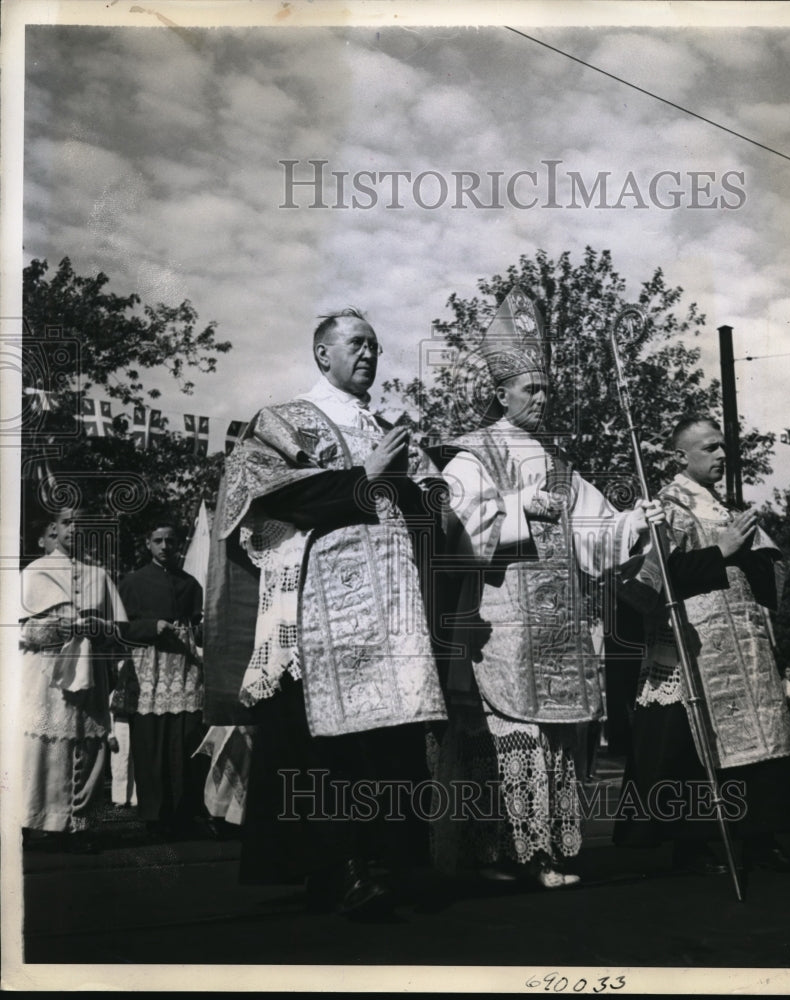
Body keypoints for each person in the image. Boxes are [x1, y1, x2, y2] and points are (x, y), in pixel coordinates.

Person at [203, 307, 446, 917]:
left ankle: (389, 860)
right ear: (323, 355)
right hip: (319, 602)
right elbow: (258, 496)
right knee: (323, 741)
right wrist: (363, 476)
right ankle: (336, 866)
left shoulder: (385, 425)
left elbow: (429, 507)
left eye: (376, 347)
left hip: (390, 602)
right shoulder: (283, 421)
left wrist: (424, 490)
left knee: (389, 733)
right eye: (357, 344)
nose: (370, 354)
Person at [427, 287, 663, 889]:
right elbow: (454, 531)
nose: (541, 397)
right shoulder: (471, 453)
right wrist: (516, 508)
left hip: (560, 631)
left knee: (556, 739)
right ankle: (498, 854)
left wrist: (636, 521)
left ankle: (549, 851)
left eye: (546, 387)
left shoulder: (560, 462)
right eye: (530, 387)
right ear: (500, 392)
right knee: (510, 737)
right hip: (502, 628)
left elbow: (595, 537)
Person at [613, 415, 790, 875]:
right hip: (694, 644)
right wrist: (718, 552)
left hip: (745, 641)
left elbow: (767, 574)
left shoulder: (726, 508)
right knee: (689, 744)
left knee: (762, 739)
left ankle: (762, 838)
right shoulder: (664, 507)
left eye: (723, 447)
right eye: (709, 448)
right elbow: (646, 583)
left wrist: (758, 556)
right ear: (681, 456)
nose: (722, 455)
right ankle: (692, 845)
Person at [19, 509, 126, 851]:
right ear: (54, 528)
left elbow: (116, 631)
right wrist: (60, 627)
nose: (75, 529)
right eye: (68, 523)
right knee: (40, 748)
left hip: (89, 675)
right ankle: (35, 821)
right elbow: (23, 632)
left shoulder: (99, 574)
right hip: (45, 675)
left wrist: (100, 629)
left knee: (88, 746)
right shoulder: (35, 572)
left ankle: (79, 826)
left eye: (83, 524)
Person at [117, 519, 207, 838]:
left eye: (170, 541)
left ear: (179, 544)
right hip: (147, 669)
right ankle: (155, 817)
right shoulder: (131, 582)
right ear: (148, 544)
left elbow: (199, 625)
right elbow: (120, 629)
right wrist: (150, 627)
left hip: (183, 668)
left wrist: (201, 629)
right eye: (158, 541)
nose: (165, 547)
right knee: (150, 742)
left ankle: (184, 813)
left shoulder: (190, 583)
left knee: (184, 740)